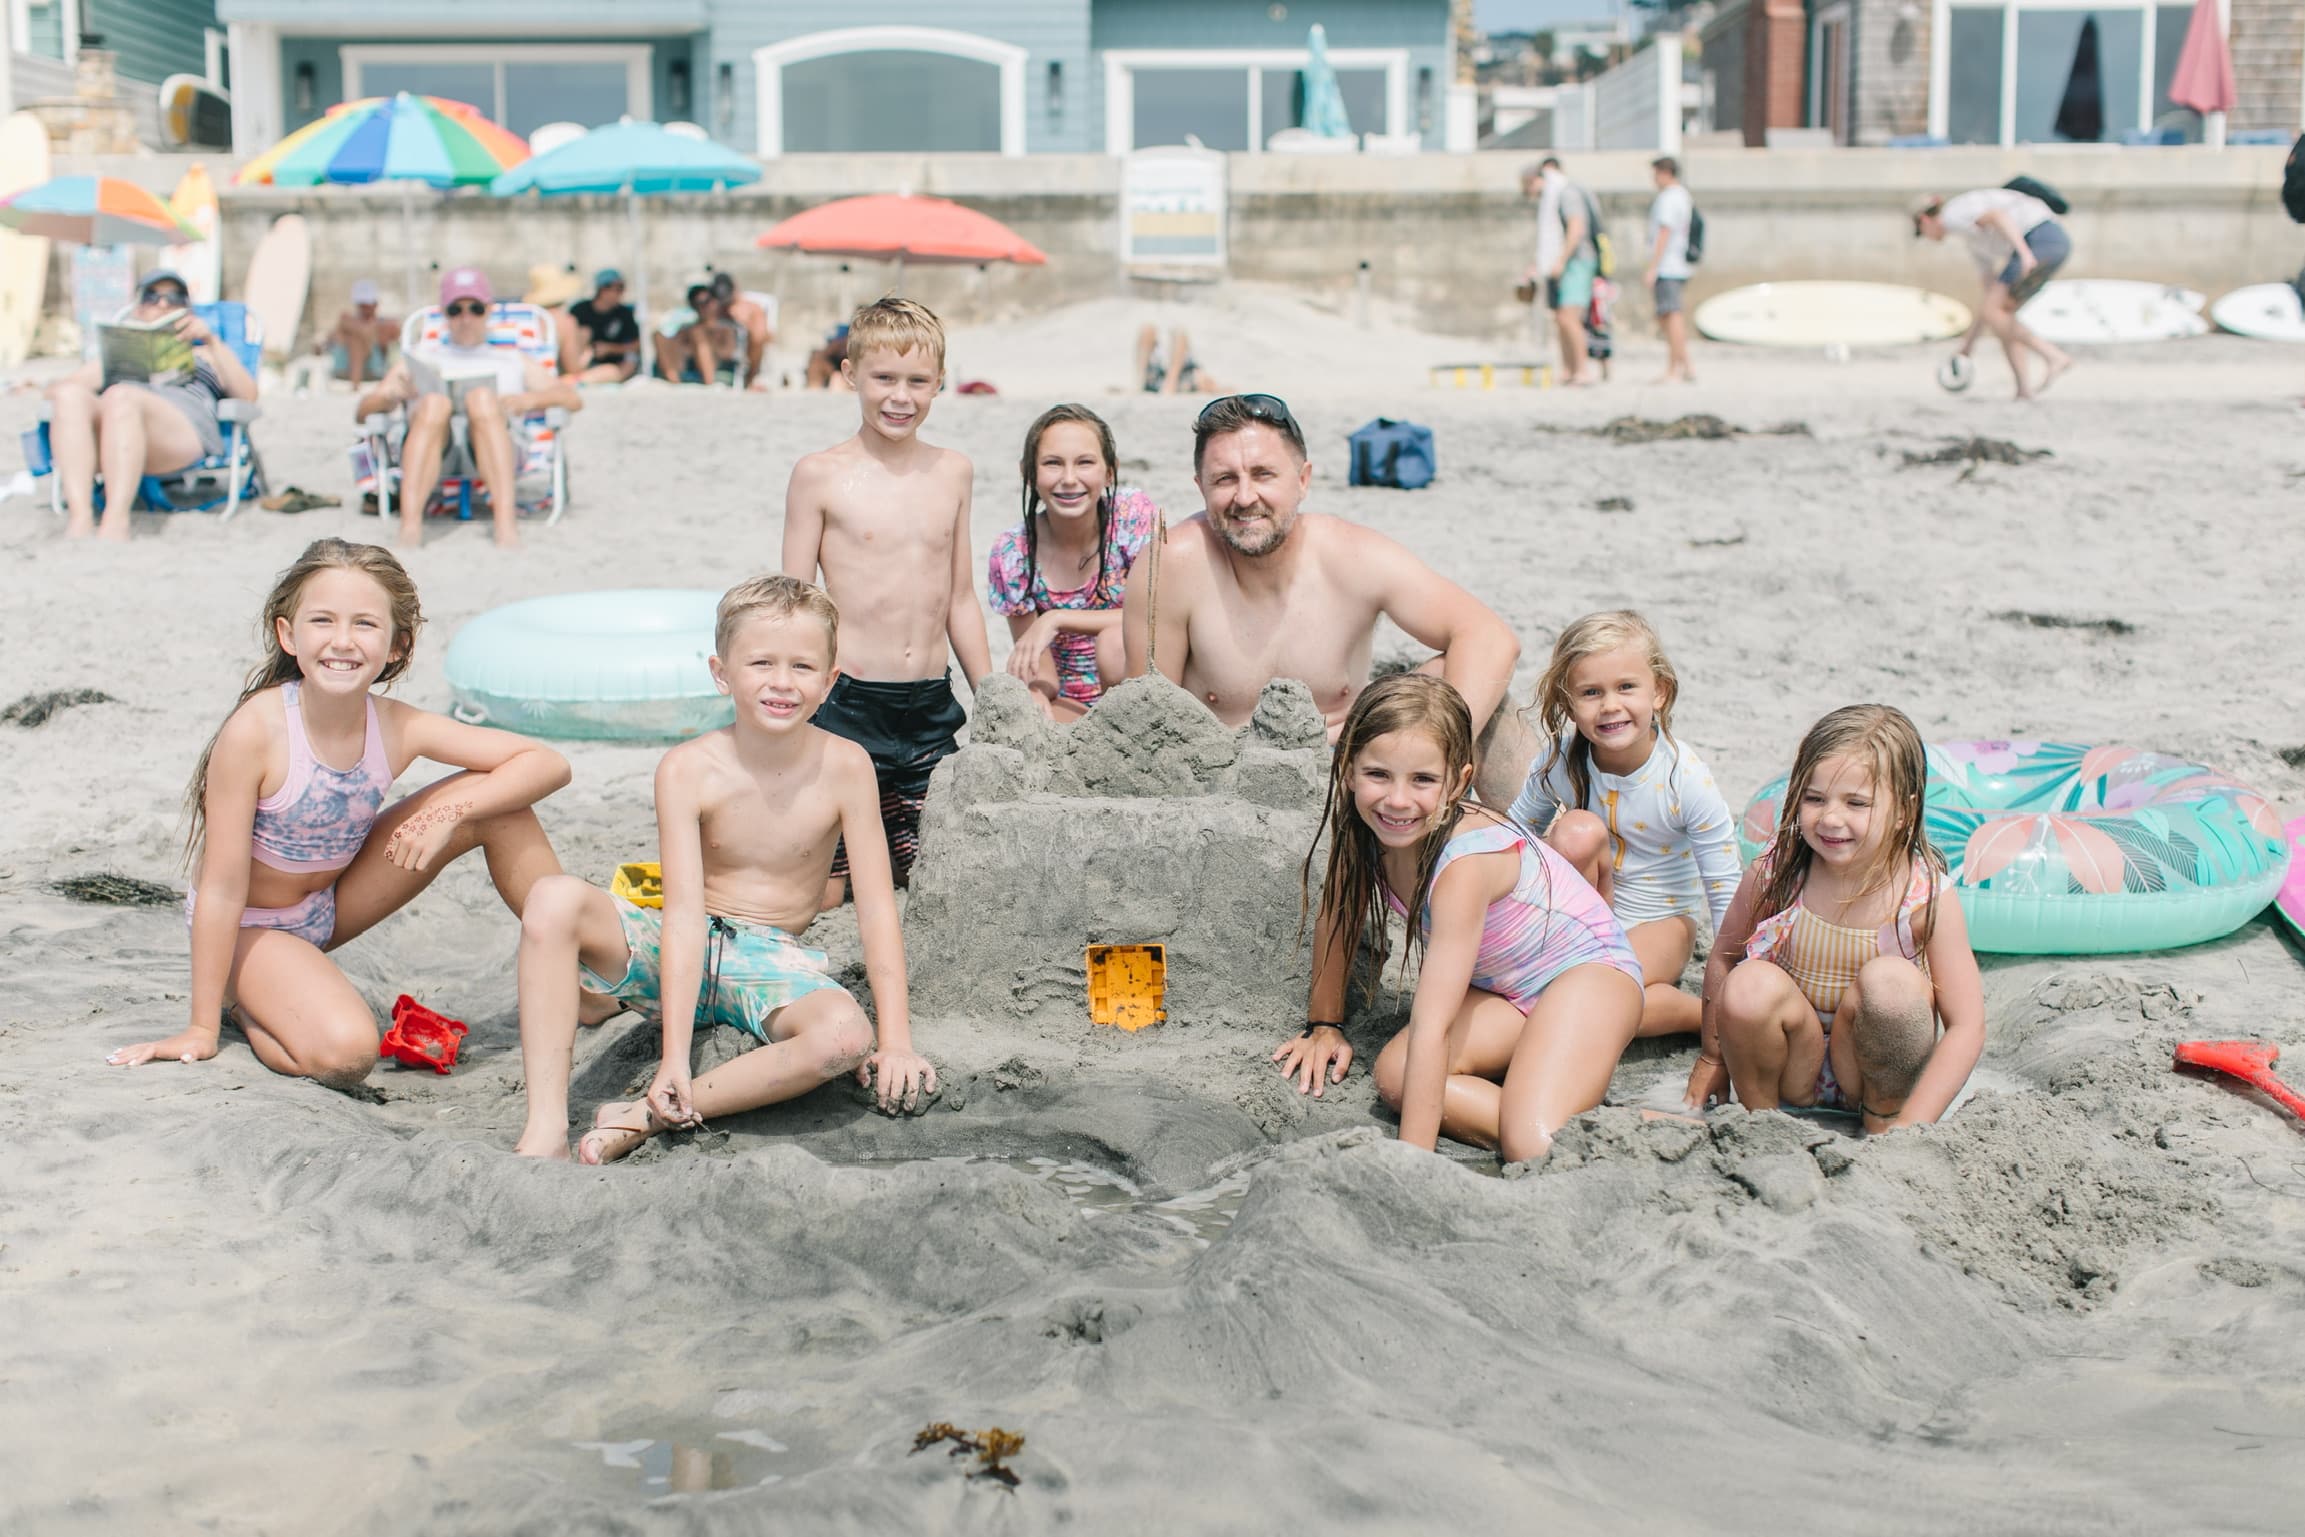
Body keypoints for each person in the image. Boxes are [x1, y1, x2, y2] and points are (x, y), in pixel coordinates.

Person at [107, 539, 587, 1086]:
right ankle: (242, 1004)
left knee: (499, 808)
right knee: (348, 1055)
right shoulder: (256, 732)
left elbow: (547, 763)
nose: (342, 640)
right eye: (323, 621)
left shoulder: (396, 724)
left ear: (397, 646)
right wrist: (200, 1027)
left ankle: (581, 979)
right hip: (248, 928)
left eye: (364, 624)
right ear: (288, 635)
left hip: (330, 904)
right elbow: (220, 889)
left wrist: (449, 813)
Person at [511, 576, 935, 1162]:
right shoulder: (688, 769)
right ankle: (545, 1129)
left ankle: (645, 1117)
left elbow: (878, 909)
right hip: (678, 948)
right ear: (722, 672)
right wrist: (673, 1057)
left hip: (769, 963)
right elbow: (684, 916)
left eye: (803, 666)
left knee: (845, 1037)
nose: (782, 682)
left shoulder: (847, 767)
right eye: (761, 662)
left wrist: (897, 1041)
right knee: (552, 897)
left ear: (830, 680)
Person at [1273, 674, 1643, 1162]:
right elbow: (1337, 915)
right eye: (1378, 774)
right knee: (1396, 1076)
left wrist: (1410, 1164)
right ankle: (1537, 1108)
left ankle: (1634, 1126)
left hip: (1588, 976)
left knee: (1531, 1142)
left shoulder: (1464, 865)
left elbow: (1434, 1026)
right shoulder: (1363, 827)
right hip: (1506, 993)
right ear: (1348, 770)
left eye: (1423, 780)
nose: (1397, 800)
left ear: (1458, 782)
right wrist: (1324, 1024)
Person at [1120, 392, 1527, 808]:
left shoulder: (1351, 554)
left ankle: (1538, 835)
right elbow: (1146, 716)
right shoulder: (1173, 562)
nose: (1244, 497)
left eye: (1263, 474)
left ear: (1303, 480)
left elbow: (1490, 637)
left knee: (1461, 689)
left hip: (1349, 777)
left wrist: (1441, 754)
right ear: (1201, 488)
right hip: (1224, 790)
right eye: (1225, 479)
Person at [781, 297, 992, 903]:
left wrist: (991, 695)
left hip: (929, 707)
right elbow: (796, 602)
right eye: (884, 379)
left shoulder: (953, 472)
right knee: (832, 889)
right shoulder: (819, 474)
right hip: (847, 705)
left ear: (940, 382)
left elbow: (960, 598)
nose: (901, 397)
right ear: (851, 375)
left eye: (917, 382)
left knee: (939, 875)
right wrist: (794, 693)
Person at [1689, 704, 1984, 1131]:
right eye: (1814, 798)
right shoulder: (1778, 873)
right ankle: (1763, 1125)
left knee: (1892, 986)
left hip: (1874, 1076)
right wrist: (1712, 1057)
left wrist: (1914, 1125)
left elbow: (1967, 1025)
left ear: (1903, 812)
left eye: (1856, 803)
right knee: (1748, 984)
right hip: (1790, 1066)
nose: (1830, 818)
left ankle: (1884, 1123)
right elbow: (1724, 957)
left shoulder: (1923, 896)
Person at [1509, 612, 1739, 1040]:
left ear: (1659, 692)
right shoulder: (1559, 761)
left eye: (1626, 687)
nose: (1610, 705)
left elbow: (1722, 880)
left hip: (1662, 920)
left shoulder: (1684, 777)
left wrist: (1730, 975)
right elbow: (1515, 834)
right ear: (1567, 704)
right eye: (1591, 692)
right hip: (1583, 912)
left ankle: (1699, 1015)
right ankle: (1589, 965)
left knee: (1596, 996)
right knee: (1576, 830)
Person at [356, 267, 582, 550]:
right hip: (436, 449)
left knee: (482, 399)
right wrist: (391, 397)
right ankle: (410, 528)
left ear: (489, 310)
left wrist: (528, 401)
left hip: (497, 446)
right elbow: (363, 411)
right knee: (434, 403)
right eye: (455, 310)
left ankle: (505, 526)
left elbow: (572, 398)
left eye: (475, 309)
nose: (465, 319)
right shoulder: (421, 358)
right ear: (443, 313)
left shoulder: (511, 359)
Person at [42, 268, 258, 541]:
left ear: (188, 310)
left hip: (180, 431)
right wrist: (106, 367)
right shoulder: (116, 357)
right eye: (152, 297)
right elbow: (57, 391)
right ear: (138, 309)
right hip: (116, 429)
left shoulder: (205, 353)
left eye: (175, 298)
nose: (163, 304)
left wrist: (212, 341)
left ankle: (115, 521)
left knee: (122, 396)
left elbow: (248, 396)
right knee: (71, 396)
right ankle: (79, 517)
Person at [987, 404, 1161, 721]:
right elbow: (1041, 667)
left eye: (1085, 463)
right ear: (1029, 473)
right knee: (1033, 716)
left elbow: (1157, 614)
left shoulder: (1130, 515)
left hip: (1143, 688)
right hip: (1073, 700)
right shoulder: (1014, 552)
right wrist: (1037, 691)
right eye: (1052, 463)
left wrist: (1056, 618)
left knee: (1112, 643)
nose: (1069, 479)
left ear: (1110, 472)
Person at [1913, 188, 2075, 400]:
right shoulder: (1974, 242)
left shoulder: (1952, 216)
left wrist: (2024, 254)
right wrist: (1967, 348)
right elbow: (1988, 306)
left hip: (2039, 238)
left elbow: (1997, 216)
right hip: (2053, 241)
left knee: (1996, 312)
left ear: (1924, 220)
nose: (1926, 238)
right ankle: (2023, 390)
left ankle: (2053, 356)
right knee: (2002, 315)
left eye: (1921, 232)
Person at [1523, 158, 1600, 387]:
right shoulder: (1552, 196)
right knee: (1560, 318)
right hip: (1563, 263)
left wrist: (1561, 260)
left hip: (1576, 261)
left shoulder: (1566, 193)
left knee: (1570, 317)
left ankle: (1582, 370)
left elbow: (1577, 228)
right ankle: (1569, 369)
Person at [1646, 157, 1696, 384]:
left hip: (1668, 265)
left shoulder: (1669, 198)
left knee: (1671, 316)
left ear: (1665, 173)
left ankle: (1675, 368)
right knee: (1668, 315)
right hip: (1676, 263)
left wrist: (1653, 266)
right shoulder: (1683, 196)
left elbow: (1664, 232)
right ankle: (1685, 366)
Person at [564, 269, 640, 384]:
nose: (622, 292)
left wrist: (610, 349)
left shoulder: (624, 313)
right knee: (584, 332)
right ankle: (576, 375)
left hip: (615, 364)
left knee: (629, 360)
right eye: (618, 288)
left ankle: (581, 380)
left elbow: (637, 344)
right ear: (603, 290)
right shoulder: (580, 310)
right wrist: (588, 350)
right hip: (583, 360)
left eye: (622, 288)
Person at [658, 283, 739, 385]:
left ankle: (709, 382)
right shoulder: (688, 328)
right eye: (697, 303)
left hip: (717, 367)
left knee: (698, 334)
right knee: (658, 336)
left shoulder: (725, 328)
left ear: (715, 302)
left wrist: (707, 342)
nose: (702, 307)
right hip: (687, 366)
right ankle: (673, 380)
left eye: (706, 301)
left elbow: (728, 353)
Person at [710, 272, 775, 390]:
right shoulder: (715, 307)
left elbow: (763, 336)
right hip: (720, 354)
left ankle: (750, 378)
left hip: (747, 355)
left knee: (756, 336)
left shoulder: (752, 308)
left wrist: (743, 323)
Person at [329, 279, 399, 384]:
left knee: (360, 336)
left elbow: (395, 334)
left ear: (375, 304)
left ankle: (356, 384)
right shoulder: (347, 320)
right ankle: (355, 383)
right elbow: (363, 331)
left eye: (368, 304)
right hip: (344, 372)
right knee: (355, 338)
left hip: (375, 373)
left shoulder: (384, 325)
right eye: (362, 305)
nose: (365, 308)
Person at [1134, 324, 1223, 394]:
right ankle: (1170, 381)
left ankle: (1169, 381)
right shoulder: (1195, 378)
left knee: (1177, 332)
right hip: (1174, 379)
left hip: (1167, 380)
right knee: (1150, 330)